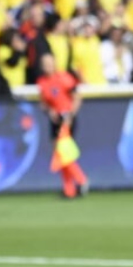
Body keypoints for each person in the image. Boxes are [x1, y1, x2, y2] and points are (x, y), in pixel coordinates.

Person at [36, 54, 89, 199]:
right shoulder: (42, 82)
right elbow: (43, 103)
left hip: (67, 118)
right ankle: (69, 189)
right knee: (60, 155)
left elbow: (77, 97)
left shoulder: (64, 78)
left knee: (64, 153)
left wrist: (70, 116)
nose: (47, 66)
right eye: (44, 64)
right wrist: (49, 110)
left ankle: (81, 180)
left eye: (49, 63)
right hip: (54, 119)